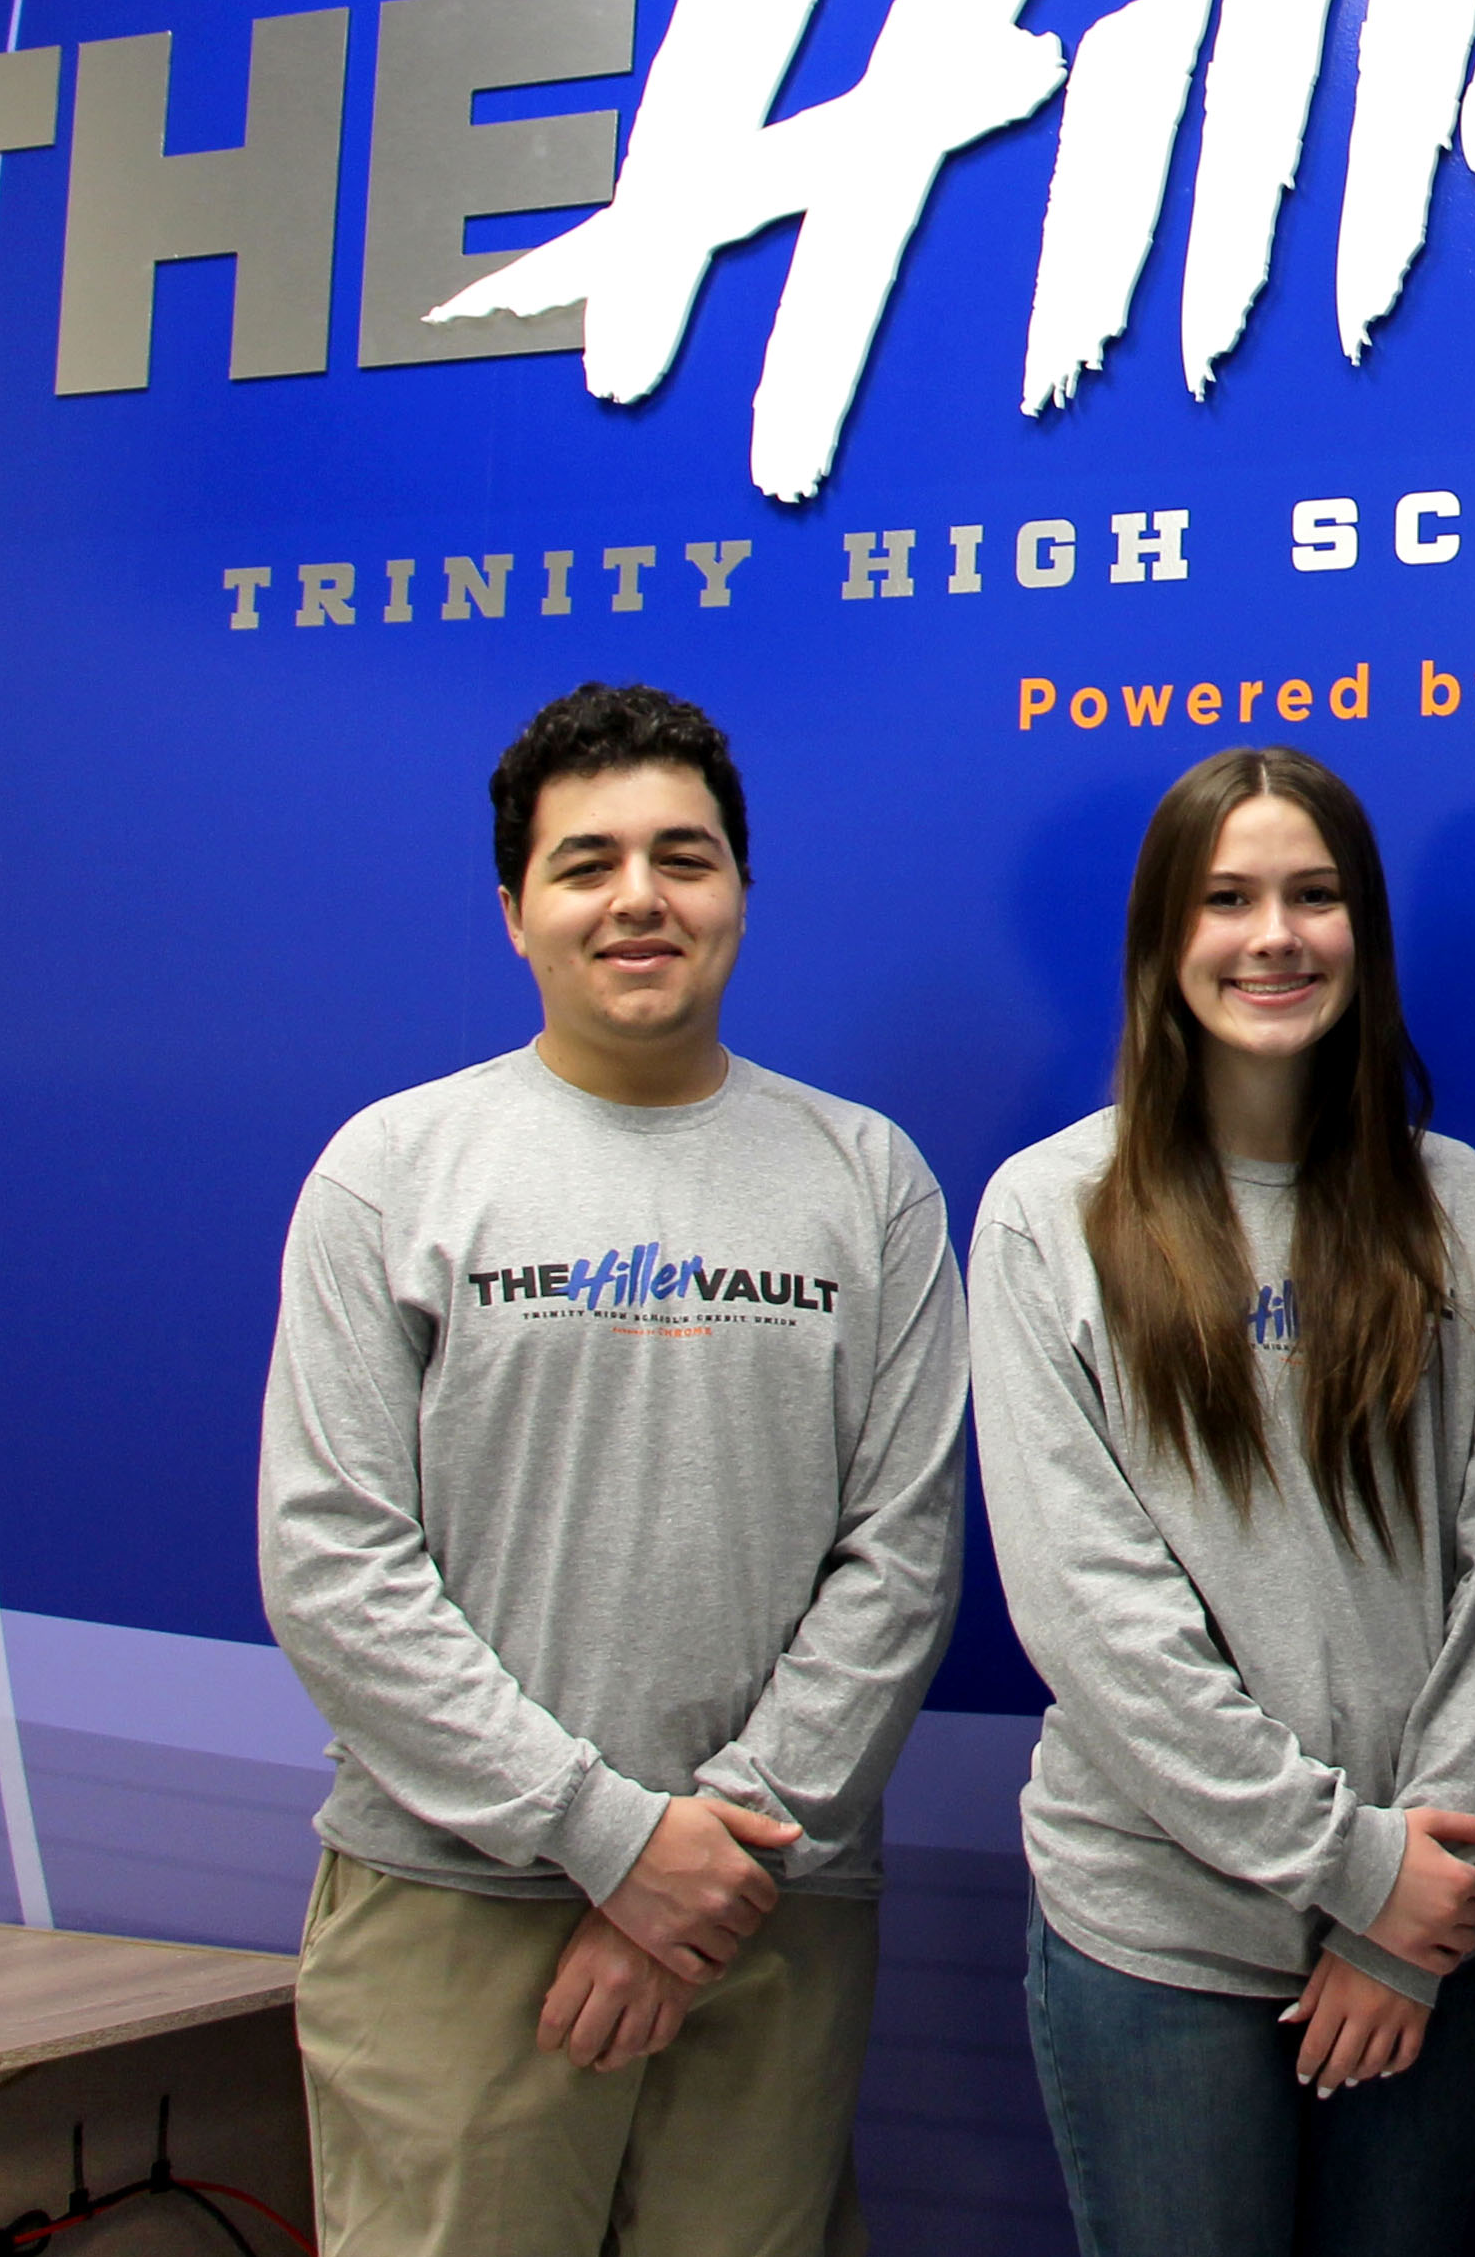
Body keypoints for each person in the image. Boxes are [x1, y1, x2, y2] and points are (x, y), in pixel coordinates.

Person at [259, 681, 968, 2257]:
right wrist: (607, 1838)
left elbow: (902, 1558)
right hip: (458, 1908)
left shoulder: (869, 1179)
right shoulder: (393, 1171)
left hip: (767, 1913)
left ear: (739, 893)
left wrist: (701, 1861)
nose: (639, 896)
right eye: (586, 863)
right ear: (514, 909)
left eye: (684, 855)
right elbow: (332, 1559)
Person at [971, 748, 1475, 2257]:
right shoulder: (1046, 1216)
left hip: (1436, 1925)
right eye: (1225, 898)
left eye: (1314, 894)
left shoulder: (1463, 1209)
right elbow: (1090, 1607)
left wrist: (1409, 1901)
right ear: (1164, 938)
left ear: (1365, 929)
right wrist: (1348, 1864)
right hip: (1158, 1935)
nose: (1272, 935)